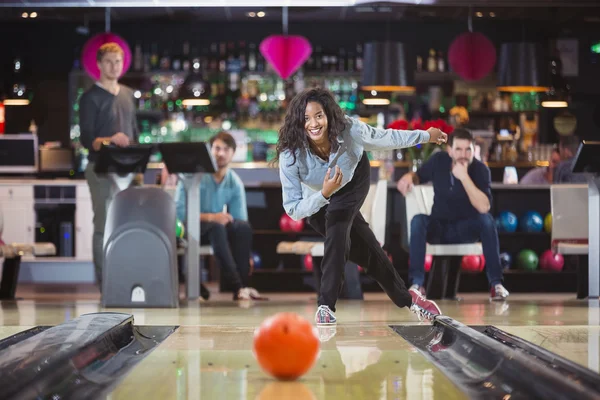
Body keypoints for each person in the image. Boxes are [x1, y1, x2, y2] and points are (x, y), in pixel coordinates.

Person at [276, 88, 447, 326]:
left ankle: (325, 305)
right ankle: (410, 300)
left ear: (328, 116)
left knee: (337, 226)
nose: (313, 123)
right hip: (317, 198)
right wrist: (324, 193)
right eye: (306, 118)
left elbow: (386, 138)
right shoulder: (291, 154)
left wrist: (425, 136)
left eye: (318, 115)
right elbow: (293, 209)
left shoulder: (350, 129)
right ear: (297, 121)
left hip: (353, 181)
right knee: (367, 252)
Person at [397, 128, 509, 301]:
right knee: (418, 220)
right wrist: (409, 177)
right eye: (458, 149)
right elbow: (419, 176)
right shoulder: (439, 161)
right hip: (439, 227)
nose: (463, 155)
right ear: (449, 150)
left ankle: (496, 285)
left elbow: (484, 207)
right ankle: (417, 284)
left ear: (474, 150)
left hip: (465, 230)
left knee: (487, 221)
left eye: (468, 150)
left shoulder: (480, 170)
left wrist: (464, 177)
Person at [174, 131, 262, 301]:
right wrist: (212, 217)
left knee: (242, 228)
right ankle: (238, 286)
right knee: (217, 227)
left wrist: (247, 255)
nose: (220, 153)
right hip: (188, 227)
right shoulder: (192, 175)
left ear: (233, 153)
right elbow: (180, 214)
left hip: (215, 231)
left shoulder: (234, 181)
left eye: (226, 149)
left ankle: (242, 288)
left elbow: (239, 220)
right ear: (209, 150)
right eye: (217, 148)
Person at [79, 42, 139, 289]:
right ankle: (105, 283)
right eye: (109, 62)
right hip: (100, 170)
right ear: (99, 65)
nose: (114, 66)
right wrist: (110, 139)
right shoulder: (90, 98)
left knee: (129, 226)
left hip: (128, 170)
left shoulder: (127, 94)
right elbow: (86, 140)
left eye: (118, 61)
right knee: (103, 225)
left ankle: (125, 278)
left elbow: (133, 132)